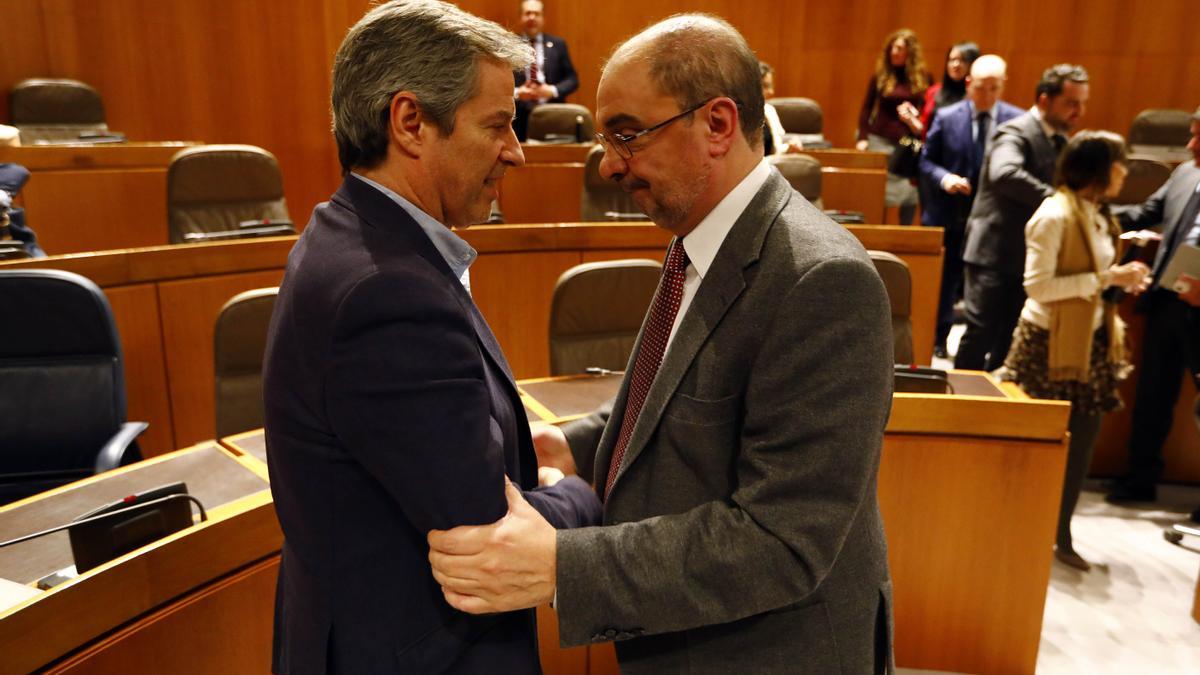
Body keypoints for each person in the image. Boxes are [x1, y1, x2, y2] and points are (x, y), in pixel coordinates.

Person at [428, 14, 895, 674]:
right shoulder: (698, 238)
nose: (608, 164)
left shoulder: (822, 279)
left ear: (718, 124)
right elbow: (681, 402)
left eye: (626, 135)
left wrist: (564, 567)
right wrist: (578, 443)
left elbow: (784, 538)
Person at [262, 2, 601, 672]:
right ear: (411, 122)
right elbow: (487, 532)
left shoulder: (350, 235)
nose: (517, 151)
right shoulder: (386, 291)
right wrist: (577, 489)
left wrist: (524, 475)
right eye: (497, 125)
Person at [1000, 131, 1150, 571]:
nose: (1125, 171)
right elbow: (1038, 286)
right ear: (1099, 169)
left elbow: (1096, 273)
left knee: (1080, 446)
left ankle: (1060, 532)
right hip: (1047, 345)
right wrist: (1107, 280)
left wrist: (1117, 279)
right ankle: (1019, 529)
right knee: (1035, 448)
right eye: (1119, 163)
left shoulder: (1098, 213)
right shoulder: (1054, 214)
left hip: (1091, 343)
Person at [955, 64, 1090, 372]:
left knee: (1011, 341)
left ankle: (996, 414)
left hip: (1028, 259)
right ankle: (954, 412)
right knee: (980, 336)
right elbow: (1005, 173)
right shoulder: (1015, 132)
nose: (1078, 111)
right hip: (994, 254)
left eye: (1083, 103)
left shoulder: (1063, 143)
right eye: (1071, 103)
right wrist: (1062, 203)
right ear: (1044, 100)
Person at [1106, 106, 1200, 522]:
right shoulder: (1184, 173)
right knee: (1153, 394)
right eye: (1192, 134)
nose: (1191, 145)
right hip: (1167, 300)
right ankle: (1140, 477)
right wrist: (1093, 214)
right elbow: (1144, 212)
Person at [919, 55, 1023, 358]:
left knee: (988, 285)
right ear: (968, 84)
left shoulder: (1016, 120)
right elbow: (926, 161)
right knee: (945, 279)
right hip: (953, 211)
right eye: (981, 88)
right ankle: (939, 337)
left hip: (995, 219)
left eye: (994, 88)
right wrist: (945, 178)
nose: (987, 95)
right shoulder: (947, 115)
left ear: (1003, 86)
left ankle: (991, 345)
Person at [855, 28, 931, 225]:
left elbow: (929, 111)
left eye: (899, 48)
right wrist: (862, 138)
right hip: (880, 140)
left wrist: (915, 119)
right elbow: (866, 110)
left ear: (910, 52)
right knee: (881, 191)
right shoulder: (881, 76)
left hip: (908, 143)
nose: (894, 52)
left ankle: (903, 232)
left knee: (909, 191)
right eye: (892, 48)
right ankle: (879, 230)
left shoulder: (924, 77)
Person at [513, 0, 579, 141]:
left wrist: (552, 90)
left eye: (536, 13)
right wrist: (518, 93)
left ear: (543, 18)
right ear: (520, 18)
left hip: (552, 113)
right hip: (518, 116)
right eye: (528, 13)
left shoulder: (558, 44)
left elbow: (572, 79)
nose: (532, 17)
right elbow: (499, 82)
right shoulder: (509, 44)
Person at [920, 41, 979, 134]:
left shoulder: (977, 96)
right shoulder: (934, 91)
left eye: (963, 60)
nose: (956, 64)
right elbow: (925, 130)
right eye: (952, 59)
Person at [759, 61, 802, 155]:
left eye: (771, 86)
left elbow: (776, 150)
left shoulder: (769, 110)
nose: (771, 91)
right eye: (765, 86)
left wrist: (789, 147)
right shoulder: (741, 113)